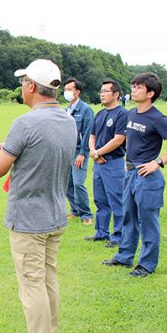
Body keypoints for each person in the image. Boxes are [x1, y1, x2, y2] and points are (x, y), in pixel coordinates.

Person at [0, 59, 76, 333]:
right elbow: (42, 148)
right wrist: (5, 144)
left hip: (29, 219)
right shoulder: (67, 120)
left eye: (23, 82)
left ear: (31, 86)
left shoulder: (26, 122)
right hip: (55, 213)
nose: (21, 86)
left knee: (32, 285)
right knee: (47, 279)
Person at [102, 72, 167, 277]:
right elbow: (130, 140)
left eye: (138, 87)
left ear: (150, 93)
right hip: (130, 172)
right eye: (133, 86)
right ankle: (124, 256)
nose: (133, 90)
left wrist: (157, 163)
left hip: (147, 175)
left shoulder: (158, 118)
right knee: (128, 217)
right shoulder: (131, 113)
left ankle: (146, 264)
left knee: (148, 221)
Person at [85, 80, 128, 247]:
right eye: (101, 91)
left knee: (116, 200)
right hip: (99, 163)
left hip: (113, 163)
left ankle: (118, 236)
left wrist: (98, 152)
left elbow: (118, 140)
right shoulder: (100, 114)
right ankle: (101, 232)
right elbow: (92, 136)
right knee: (100, 200)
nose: (102, 94)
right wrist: (93, 152)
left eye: (106, 91)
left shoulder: (122, 113)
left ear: (116, 94)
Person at [63, 78, 95, 225]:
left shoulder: (86, 110)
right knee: (67, 183)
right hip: (66, 151)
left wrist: (83, 153)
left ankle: (86, 214)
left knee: (78, 183)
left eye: (70, 89)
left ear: (77, 92)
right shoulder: (65, 110)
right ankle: (75, 210)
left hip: (79, 151)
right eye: (65, 89)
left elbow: (88, 133)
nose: (67, 92)